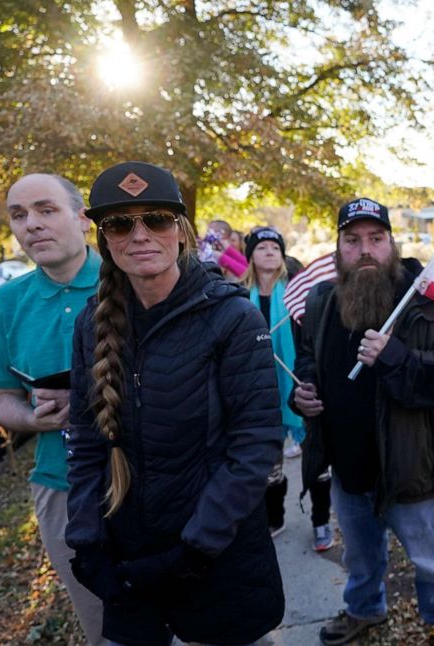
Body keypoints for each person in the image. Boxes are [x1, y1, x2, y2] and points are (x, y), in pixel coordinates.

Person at [64, 161, 285, 646]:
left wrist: (194, 550)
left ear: (181, 231)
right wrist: (85, 541)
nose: (140, 235)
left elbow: (254, 447)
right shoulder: (89, 324)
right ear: (104, 239)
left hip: (215, 556)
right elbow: (84, 441)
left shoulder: (232, 317)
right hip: (129, 561)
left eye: (157, 219)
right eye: (120, 223)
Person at [292, 197, 434, 646]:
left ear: (391, 243)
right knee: (359, 556)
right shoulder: (321, 301)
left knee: (432, 558)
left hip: (410, 462)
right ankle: (364, 610)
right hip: (347, 462)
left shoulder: (426, 297)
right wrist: (302, 392)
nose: (365, 251)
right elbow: (308, 360)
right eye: (353, 240)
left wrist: (394, 357)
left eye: (376, 239)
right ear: (338, 247)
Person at [0, 173, 107, 645]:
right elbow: (1, 399)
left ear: (81, 218)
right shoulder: (6, 304)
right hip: (61, 488)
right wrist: (31, 418)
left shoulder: (132, 281)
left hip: (154, 477)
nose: (31, 224)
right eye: (19, 215)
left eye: (46, 210)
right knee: (104, 626)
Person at [242, 225, 334, 551]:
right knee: (269, 466)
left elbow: (314, 339)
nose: (269, 251)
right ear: (250, 255)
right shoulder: (240, 296)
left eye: (275, 247)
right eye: (262, 246)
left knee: (317, 460)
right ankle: (274, 517)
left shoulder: (298, 294)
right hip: (259, 393)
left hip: (299, 385)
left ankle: (322, 521)